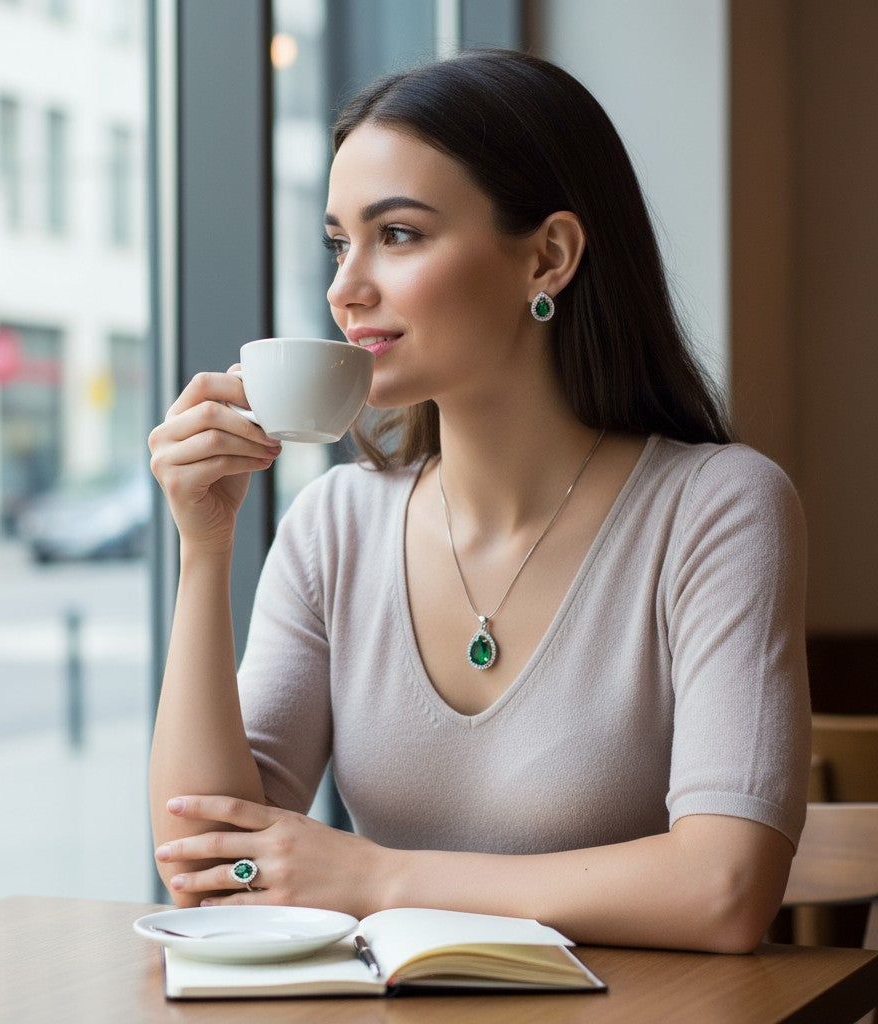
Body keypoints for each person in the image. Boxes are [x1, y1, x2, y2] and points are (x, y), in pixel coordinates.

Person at [147, 50, 810, 953]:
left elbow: (725, 889)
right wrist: (203, 549)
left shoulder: (717, 508)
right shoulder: (333, 527)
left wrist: (379, 877)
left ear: (549, 257)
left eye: (400, 235)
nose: (346, 289)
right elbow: (206, 864)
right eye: (340, 242)